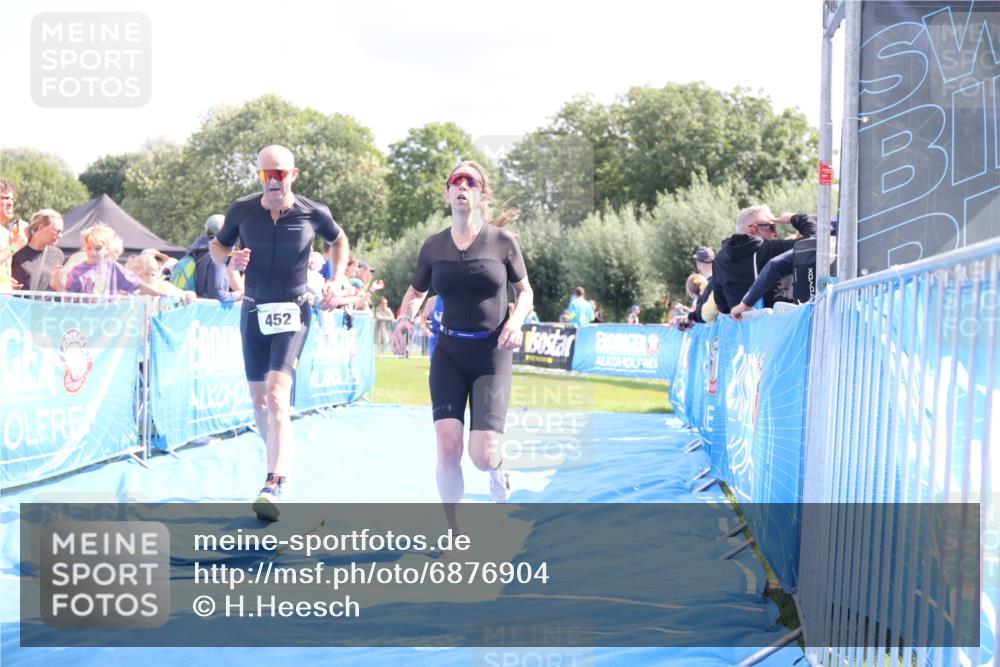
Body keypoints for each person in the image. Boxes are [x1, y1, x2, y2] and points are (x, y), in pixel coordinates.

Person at [210, 145, 349, 522]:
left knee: (276, 396)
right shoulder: (242, 210)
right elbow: (217, 246)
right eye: (266, 174)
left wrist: (336, 281)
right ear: (259, 176)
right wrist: (229, 260)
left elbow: (339, 241)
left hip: (293, 312)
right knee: (259, 403)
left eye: (280, 174)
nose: (273, 181)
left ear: (293, 174)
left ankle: (274, 481)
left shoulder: (312, 212)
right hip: (253, 311)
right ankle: (278, 454)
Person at [391, 160, 534, 528]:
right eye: (456, 181)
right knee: (448, 446)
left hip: (492, 353)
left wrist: (516, 322)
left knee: (483, 455)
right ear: (447, 193)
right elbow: (416, 291)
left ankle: (498, 469)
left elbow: (525, 292)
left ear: (481, 193)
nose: (462, 187)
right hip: (448, 352)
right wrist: (404, 318)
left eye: (470, 182)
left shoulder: (503, 242)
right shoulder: (434, 245)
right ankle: (453, 530)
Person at [712, 206, 815, 315]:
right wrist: (794, 218)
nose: (776, 234)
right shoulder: (770, 250)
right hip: (780, 324)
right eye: (772, 227)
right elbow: (817, 241)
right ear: (754, 229)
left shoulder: (719, 259)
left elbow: (721, 305)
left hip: (743, 327)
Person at [731, 223, 837, 320]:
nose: (775, 233)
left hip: (815, 318)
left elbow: (774, 265)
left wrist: (746, 303)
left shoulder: (815, 243)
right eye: (771, 227)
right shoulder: (837, 238)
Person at [56, 224, 172, 297]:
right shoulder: (77, 271)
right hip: (86, 322)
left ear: (108, 248)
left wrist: (154, 292)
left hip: (108, 323)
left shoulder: (112, 267)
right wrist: (57, 284)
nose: (93, 252)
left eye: (98, 248)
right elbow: (68, 299)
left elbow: (136, 283)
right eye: (89, 247)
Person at [12, 209, 65, 292]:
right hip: (17, 304)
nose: (60, 235)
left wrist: (58, 284)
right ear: (41, 227)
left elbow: (63, 289)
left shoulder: (58, 255)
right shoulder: (17, 250)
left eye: (62, 232)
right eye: (57, 231)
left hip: (47, 305)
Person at [0, 180, 28, 291]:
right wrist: (15, 246)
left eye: (11, 199)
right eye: (5, 198)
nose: (11, 203)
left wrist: (5, 281)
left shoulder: (6, 232)